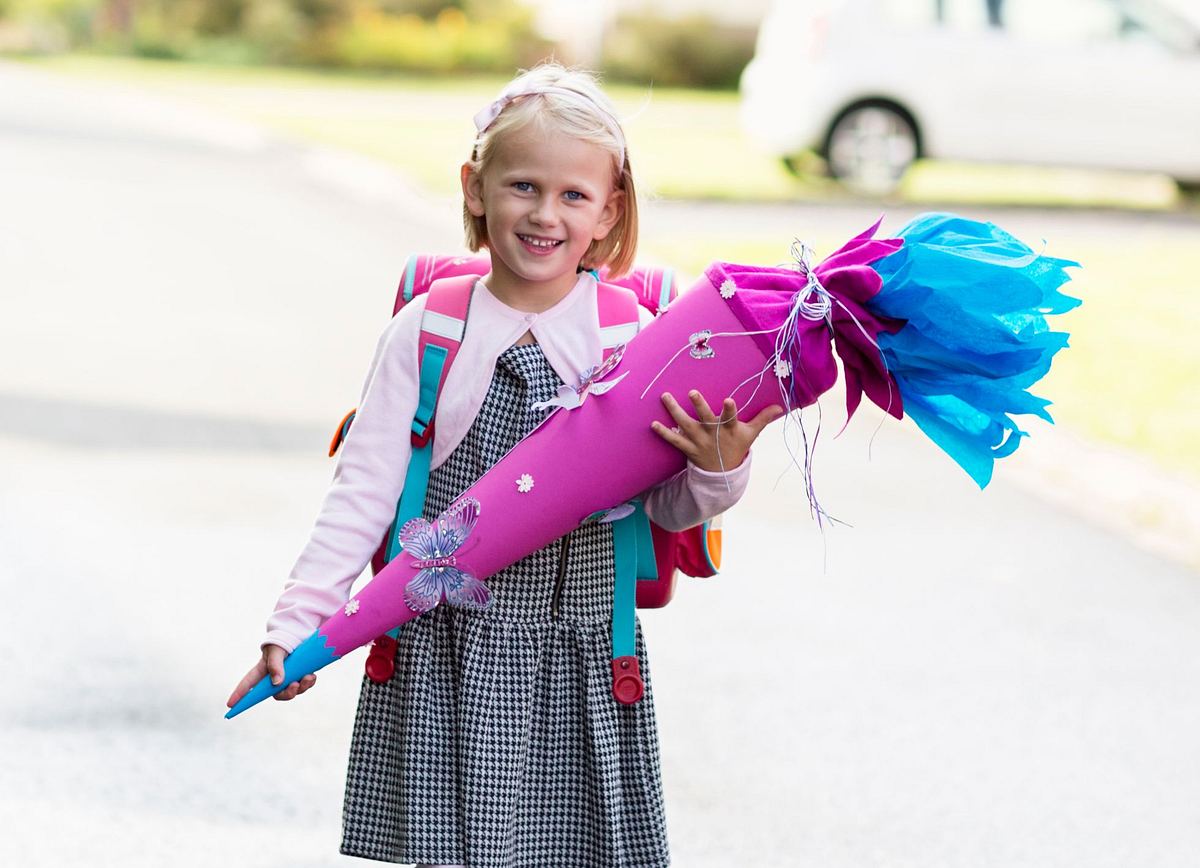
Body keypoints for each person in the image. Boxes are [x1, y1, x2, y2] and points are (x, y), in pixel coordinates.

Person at [227, 61, 782, 868]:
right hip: (446, 646)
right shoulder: (429, 331)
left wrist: (718, 470)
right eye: (523, 185)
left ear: (608, 211)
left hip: (582, 648)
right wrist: (298, 623)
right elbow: (364, 491)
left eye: (573, 196)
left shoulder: (633, 341)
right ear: (475, 187)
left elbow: (664, 509)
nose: (545, 214)